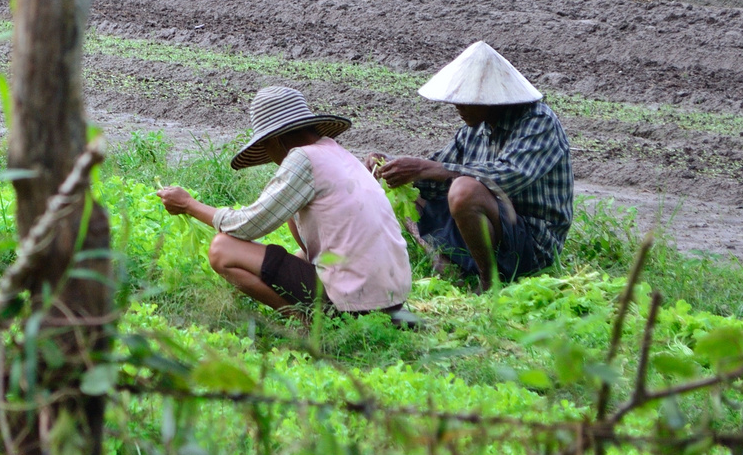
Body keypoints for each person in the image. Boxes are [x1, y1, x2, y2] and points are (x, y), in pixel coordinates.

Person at [156, 87, 411, 316]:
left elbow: (248, 225)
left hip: (355, 301)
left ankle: (300, 321)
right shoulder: (338, 154)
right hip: (390, 299)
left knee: (223, 248)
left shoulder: (303, 158)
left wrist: (189, 204)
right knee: (292, 227)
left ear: (276, 140)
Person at [371, 41, 573, 293]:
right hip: (489, 229)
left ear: (491, 98)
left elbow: (507, 176)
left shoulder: (538, 121)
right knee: (403, 191)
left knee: (464, 190)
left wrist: (429, 169)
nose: (458, 106)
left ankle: (489, 282)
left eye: (467, 99)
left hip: (531, 243)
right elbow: (433, 180)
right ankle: (442, 260)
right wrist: (390, 168)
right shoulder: (475, 128)